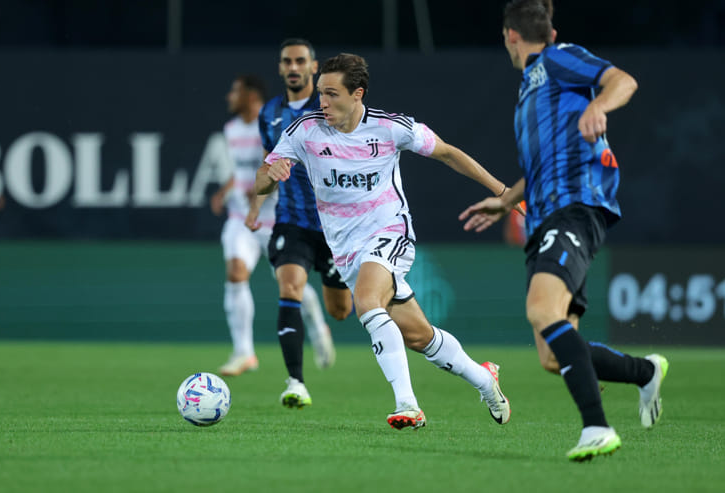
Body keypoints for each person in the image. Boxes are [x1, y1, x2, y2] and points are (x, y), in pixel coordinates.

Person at [459, 0, 668, 461]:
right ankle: (644, 373)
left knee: (540, 309)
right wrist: (507, 201)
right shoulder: (530, 90)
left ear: (510, 35)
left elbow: (623, 80)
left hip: (575, 208)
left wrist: (599, 103)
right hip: (544, 217)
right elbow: (542, 167)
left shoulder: (556, 59)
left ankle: (597, 428)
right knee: (552, 355)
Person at [257, 53, 512, 430]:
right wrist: (271, 171)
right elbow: (261, 178)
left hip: (389, 232)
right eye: (321, 94)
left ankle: (408, 404)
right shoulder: (304, 131)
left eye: (332, 94)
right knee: (419, 336)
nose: (322, 102)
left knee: (366, 301)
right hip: (345, 250)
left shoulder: (391, 128)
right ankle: (483, 379)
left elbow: (447, 153)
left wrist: (504, 193)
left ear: (357, 93)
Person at [246, 39, 353, 408]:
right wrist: (255, 205)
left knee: (341, 311)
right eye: (287, 61)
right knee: (289, 287)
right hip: (293, 222)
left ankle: (321, 326)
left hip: (337, 226)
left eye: (300, 61)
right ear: (280, 68)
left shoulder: (327, 106)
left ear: (313, 67)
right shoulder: (270, 113)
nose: (293, 67)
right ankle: (296, 382)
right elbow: (266, 163)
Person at [212, 74, 337, 377]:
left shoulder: (270, 126)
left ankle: (317, 326)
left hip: (276, 217)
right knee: (235, 272)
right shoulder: (230, 130)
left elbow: (282, 165)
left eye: (235, 90)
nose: (229, 96)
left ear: (252, 96)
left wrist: (262, 187)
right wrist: (227, 190)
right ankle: (244, 352)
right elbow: (242, 170)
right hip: (241, 218)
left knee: (291, 285)